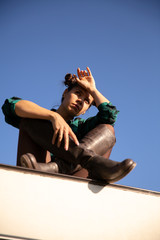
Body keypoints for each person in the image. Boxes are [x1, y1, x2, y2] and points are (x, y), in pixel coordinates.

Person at [2, 67, 136, 182]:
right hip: (34, 169)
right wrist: (53, 116)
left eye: (86, 102)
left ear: (85, 111)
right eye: (78, 93)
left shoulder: (83, 127)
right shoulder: (43, 120)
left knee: (108, 129)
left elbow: (110, 116)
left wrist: (93, 90)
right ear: (65, 93)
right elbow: (10, 106)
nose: (80, 101)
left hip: (73, 178)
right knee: (30, 118)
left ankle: (57, 168)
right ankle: (88, 161)